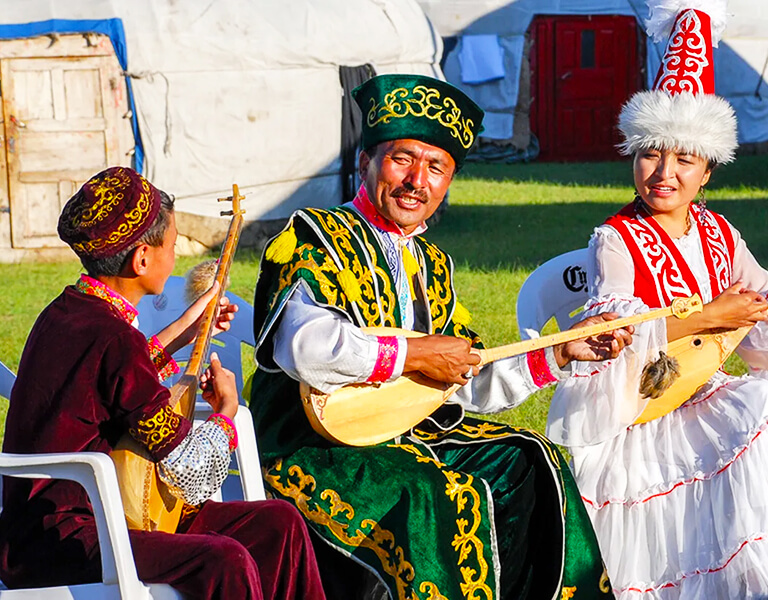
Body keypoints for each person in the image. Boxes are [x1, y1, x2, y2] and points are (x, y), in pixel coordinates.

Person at [547, 2, 768, 598]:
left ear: (707, 169)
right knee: (757, 416)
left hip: (705, 396)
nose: (664, 172)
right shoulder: (615, 240)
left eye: (684, 158)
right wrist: (708, 317)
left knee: (760, 411)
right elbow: (614, 339)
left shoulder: (718, 233)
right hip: (641, 416)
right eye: (651, 153)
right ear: (634, 155)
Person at [250, 73, 630, 600]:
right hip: (311, 445)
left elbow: (461, 376)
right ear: (366, 163)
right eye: (402, 159)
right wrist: (415, 352)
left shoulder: (432, 264)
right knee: (435, 497)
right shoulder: (312, 235)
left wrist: (558, 351)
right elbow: (308, 350)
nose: (416, 181)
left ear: (447, 184)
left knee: (532, 460)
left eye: (436, 168)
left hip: (406, 432)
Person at [0, 166, 326, 600]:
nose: (175, 257)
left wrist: (184, 330)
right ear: (142, 260)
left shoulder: (69, 312)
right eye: (172, 246)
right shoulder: (115, 339)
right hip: (67, 538)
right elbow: (187, 468)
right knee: (224, 560)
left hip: (90, 517)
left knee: (278, 525)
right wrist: (227, 412)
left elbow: (113, 381)